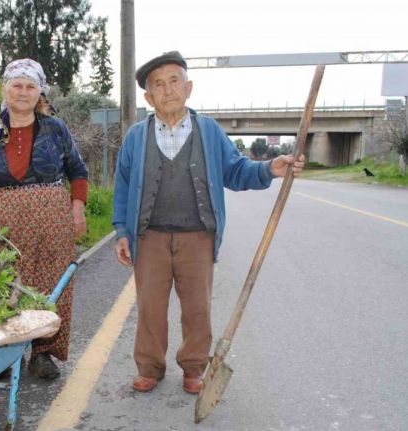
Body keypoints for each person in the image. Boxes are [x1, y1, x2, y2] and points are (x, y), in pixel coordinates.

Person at [112, 51, 305, 394]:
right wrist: (122, 231)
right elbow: (123, 187)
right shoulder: (136, 137)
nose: (168, 89)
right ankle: (150, 367)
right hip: (150, 237)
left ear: (189, 87)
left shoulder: (210, 130)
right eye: (159, 84)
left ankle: (194, 367)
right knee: (150, 309)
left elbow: (235, 170)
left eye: (174, 81)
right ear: (148, 97)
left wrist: (267, 169)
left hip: (197, 237)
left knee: (197, 308)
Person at [0, 58, 89, 379]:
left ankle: (42, 352)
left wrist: (78, 210)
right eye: (17, 85)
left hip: (52, 217)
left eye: (30, 86)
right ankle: (4, 356)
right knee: (5, 283)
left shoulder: (55, 129)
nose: (23, 92)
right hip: (3, 221)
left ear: (40, 93)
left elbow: (77, 171)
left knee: (52, 283)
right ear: (5, 89)